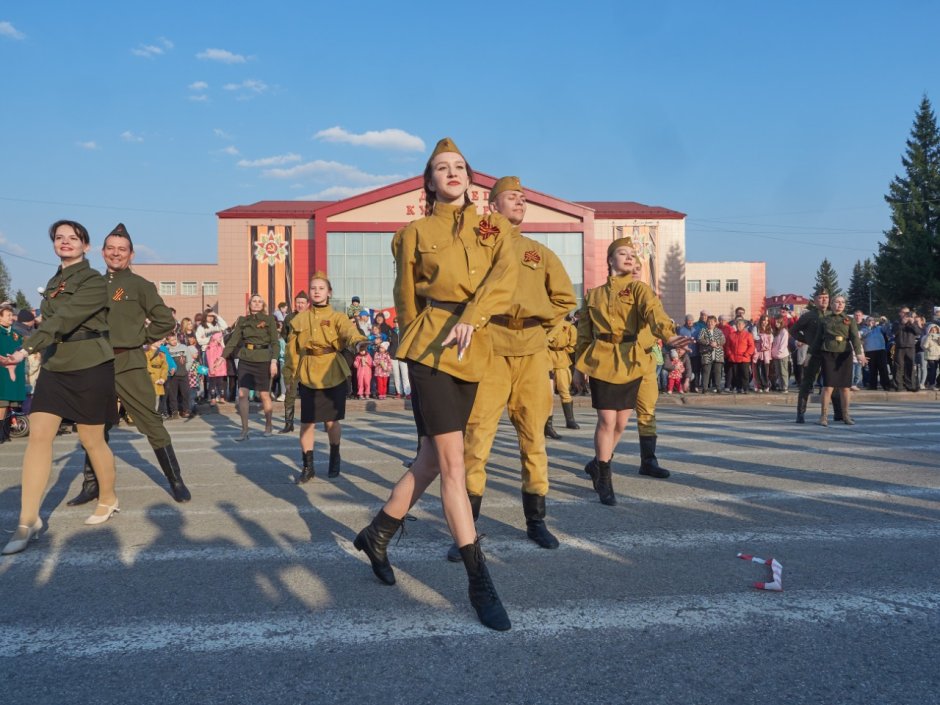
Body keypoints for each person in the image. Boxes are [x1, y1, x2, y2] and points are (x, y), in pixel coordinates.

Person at [353, 137, 518, 631]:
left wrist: (474, 313)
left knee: (428, 458)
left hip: (476, 344)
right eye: (441, 168)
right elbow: (406, 299)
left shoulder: (494, 228)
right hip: (431, 348)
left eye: (460, 167)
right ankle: (479, 583)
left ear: (470, 178)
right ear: (429, 181)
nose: (452, 173)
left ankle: (377, 533)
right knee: (453, 463)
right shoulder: (412, 233)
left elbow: (504, 277)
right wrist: (410, 346)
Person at [454, 175, 576, 560]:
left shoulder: (539, 253)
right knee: (476, 439)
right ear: (493, 206)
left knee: (534, 438)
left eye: (523, 198)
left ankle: (536, 522)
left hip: (532, 351)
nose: (520, 201)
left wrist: (546, 326)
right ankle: (467, 529)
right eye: (511, 197)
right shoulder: (477, 247)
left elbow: (565, 297)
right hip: (490, 347)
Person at [1, 220, 119, 555]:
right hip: (56, 365)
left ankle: (108, 498)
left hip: (90, 363)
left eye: (73, 238)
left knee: (91, 439)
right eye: (59, 238)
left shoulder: (95, 281)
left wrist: (26, 348)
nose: (65, 242)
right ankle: (27, 520)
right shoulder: (54, 281)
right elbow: (50, 321)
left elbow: (65, 319)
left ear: (86, 245)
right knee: (39, 435)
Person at [69, 224, 191, 506]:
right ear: (102, 252)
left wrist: (141, 339)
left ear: (131, 254)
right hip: (95, 363)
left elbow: (165, 321)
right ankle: (92, 486)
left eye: (121, 249)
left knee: (150, 421)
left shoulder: (140, 286)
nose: (115, 253)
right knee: (94, 425)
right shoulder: (91, 285)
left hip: (130, 361)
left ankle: (176, 480)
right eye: (110, 248)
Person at [572, 237, 692, 505]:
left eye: (632, 255)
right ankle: (604, 477)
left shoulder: (639, 290)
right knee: (606, 421)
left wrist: (669, 335)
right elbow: (583, 336)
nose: (629, 258)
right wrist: (578, 369)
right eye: (622, 253)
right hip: (602, 360)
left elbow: (655, 313)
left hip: (631, 361)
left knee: (622, 422)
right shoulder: (594, 295)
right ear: (610, 260)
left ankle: (597, 463)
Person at [285, 274, 365, 482]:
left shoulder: (339, 317)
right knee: (307, 422)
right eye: (313, 288)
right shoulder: (299, 319)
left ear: (329, 292)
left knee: (331, 422)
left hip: (332, 371)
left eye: (321, 288)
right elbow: (292, 351)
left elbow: (349, 332)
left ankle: (334, 455)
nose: (317, 291)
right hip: (308, 372)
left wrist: (358, 342)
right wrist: (289, 377)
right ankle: (308, 466)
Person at [217, 294, 279, 440]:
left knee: (264, 395)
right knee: (242, 395)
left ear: (263, 305)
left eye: (259, 301)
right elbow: (233, 341)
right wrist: (222, 357)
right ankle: (244, 430)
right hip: (245, 359)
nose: (256, 304)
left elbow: (275, 342)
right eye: (254, 301)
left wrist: (274, 361)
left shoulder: (269, 319)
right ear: (249, 304)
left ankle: (268, 424)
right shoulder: (243, 320)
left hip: (264, 359)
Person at [811, 295, 866, 425]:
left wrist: (859, 353)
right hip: (828, 354)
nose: (840, 304)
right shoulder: (825, 319)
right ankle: (823, 416)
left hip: (844, 355)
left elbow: (855, 338)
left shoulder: (849, 320)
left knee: (845, 387)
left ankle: (845, 415)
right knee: (828, 387)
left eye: (842, 302)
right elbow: (818, 339)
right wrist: (810, 355)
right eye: (837, 302)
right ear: (832, 304)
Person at [791, 291, 843, 423]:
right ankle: (800, 413)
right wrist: (808, 340)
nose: (824, 300)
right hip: (815, 353)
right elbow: (793, 330)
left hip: (830, 353)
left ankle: (839, 413)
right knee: (807, 383)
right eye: (820, 298)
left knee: (833, 383)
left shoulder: (833, 315)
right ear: (815, 300)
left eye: (826, 298)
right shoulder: (809, 316)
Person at [277, 291, 310, 433]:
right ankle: (288, 423)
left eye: (303, 302)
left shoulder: (312, 317)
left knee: (310, 392)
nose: (300, 305)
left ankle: (309, 422)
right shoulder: (289, 317)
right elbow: (284, 335)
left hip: (309, 359)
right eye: (298, 302)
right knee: (290, 391)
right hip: (292, 360)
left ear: (308, 304)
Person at [545, 314, 578, 438]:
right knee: (548, 394)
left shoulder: (569, 327)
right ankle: (548, 425)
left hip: (561, 358)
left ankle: (570, 420)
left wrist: (562, 351)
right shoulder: (547, 324)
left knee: (564, 390)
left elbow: (573, 345)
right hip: (546, 356)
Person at [0, 303, 27, 443]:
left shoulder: (16, 333)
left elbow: (22, 348)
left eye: (12, 315)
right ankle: (1, 434)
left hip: (12, 373)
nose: (11, 317)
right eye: (8, 315)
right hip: (1, 373)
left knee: (8, 403)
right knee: (2, 403)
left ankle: (5, 433)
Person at [891, 307, 921, 391]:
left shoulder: (912, 322)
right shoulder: (896, 322)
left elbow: (918, 333)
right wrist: (902, 324)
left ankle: (910, 385)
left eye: (907, 313)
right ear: (900, 313)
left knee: (910, 366)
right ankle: (898, 385)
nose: (905, 314)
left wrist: (912, 323)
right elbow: (893, 333)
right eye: (903, 312)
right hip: (899, 346)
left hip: (910, 347)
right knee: (898, 367)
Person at [726, 318, 755, 393]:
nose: (738, 326)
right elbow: (727, 346)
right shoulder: (731, 335)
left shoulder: (748, 335)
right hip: (734, 358)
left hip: (744, 358)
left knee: (745, 374)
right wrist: (730, 355)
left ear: (744, 325)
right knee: (736, 374)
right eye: (737, 324)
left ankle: (746, 388)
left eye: (740, 324)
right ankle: (739, 387)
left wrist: (747, 354)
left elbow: (751, 346)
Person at [697, 315, 725, 393]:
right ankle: (705, 388)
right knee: (706, 372)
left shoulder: (719, 331)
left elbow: (723, 340)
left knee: (718, 372)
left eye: (712, 322)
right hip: (706, 354)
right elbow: (699, 339)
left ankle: (718, 387)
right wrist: (709, 343)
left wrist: (717, 343)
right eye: (709, 322)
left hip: (718, 354)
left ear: (715, 323)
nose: (710, 323)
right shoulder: (703, 330)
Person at [770, 314, 791, 392]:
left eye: (778, 322)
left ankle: (785, 387)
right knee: (778, 372)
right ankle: (781, 386)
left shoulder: (784, 331)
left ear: (781, 323)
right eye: (775, 322)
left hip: (782, 355)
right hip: (776, 356)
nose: (776, 324)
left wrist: (779, 352)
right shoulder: (776, 332)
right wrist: (773, 353)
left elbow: (783, 344)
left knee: (783, 371)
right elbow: (774, 343)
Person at [753, 314, 773, 392]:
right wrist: (764, 337)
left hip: (766, 353)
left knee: (765, 370)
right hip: (757, 352)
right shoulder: (756, 328)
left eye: (767, 321)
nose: (765, 322)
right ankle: (759, 386)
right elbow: (754, 337)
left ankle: (766, 385)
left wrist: (762, 337)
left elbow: (771, 340)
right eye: (764, 320)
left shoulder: (769, 329)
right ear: (761, 320)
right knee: (757, 369)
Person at [922, 323, 940, 389]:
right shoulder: (925, 337)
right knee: (933, 371)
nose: (934, 332)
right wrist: (929, 337)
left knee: (936, 371)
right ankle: (931, 384)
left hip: (938, 356)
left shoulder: (938, 337)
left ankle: (936, 383)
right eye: (932, 330)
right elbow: (924, 346)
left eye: (935, 330)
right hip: (930, 356)